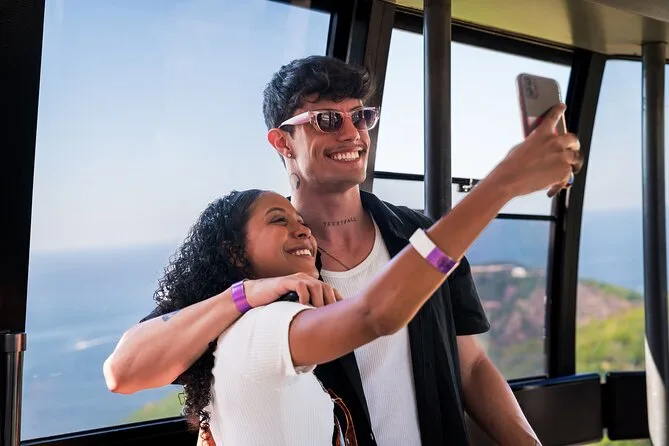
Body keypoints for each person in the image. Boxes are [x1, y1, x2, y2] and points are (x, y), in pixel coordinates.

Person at [103, 55, 581, 446]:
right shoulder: (260, 264)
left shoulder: (418, 233)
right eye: (327, 120)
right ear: (281, 141)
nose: (352, 134)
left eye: (361, 116)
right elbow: (123, 371)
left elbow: (470, 365)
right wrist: (242, 295)